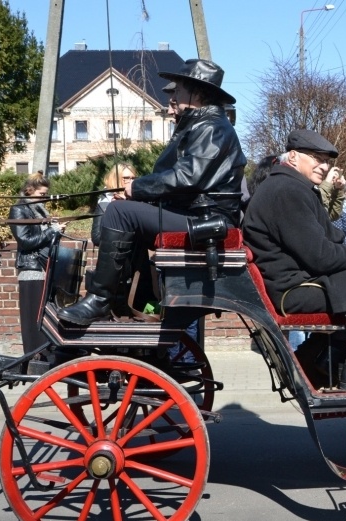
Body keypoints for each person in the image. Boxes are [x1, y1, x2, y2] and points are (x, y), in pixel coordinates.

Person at [58, 58, 246, 325]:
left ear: (197, 93)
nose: (173, 95)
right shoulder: (201, 126)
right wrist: (139, 193)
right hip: (197, 216)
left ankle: (100, 300)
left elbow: (187, 177)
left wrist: (137, 188)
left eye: (179, 89)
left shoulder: (212, 128)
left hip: (207, 222)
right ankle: (128, 300)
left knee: (120, 212)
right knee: (126, 212)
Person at [243, 129, 346, 395]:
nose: (324, 166)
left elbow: (330, 236)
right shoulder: (287, 191)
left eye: (327, 161)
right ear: (294, 157)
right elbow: (320, 256)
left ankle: (325, 353)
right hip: (296, 290)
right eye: (317, 158)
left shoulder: (291, 187)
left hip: (301, 282)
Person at [10, 172, 66, 352]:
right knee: (33, 315)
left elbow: (41, 238)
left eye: (45, 195)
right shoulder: (19, 210)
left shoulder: (40, 210)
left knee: (44, 315)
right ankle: (35, 356)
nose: (44, 198)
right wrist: (52, 231)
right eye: (41, 194)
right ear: (29, 190)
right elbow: (25, 241)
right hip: (32, 268)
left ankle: (46, 354)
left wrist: (55, 231)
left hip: (45, 266)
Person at [91, 162, 138, 246]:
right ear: (115, 179)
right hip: (114, 254)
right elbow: (97, 237)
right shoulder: (105, 200)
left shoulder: (138, 198)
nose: (131, 182)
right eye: (126, 178)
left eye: (133, 178)